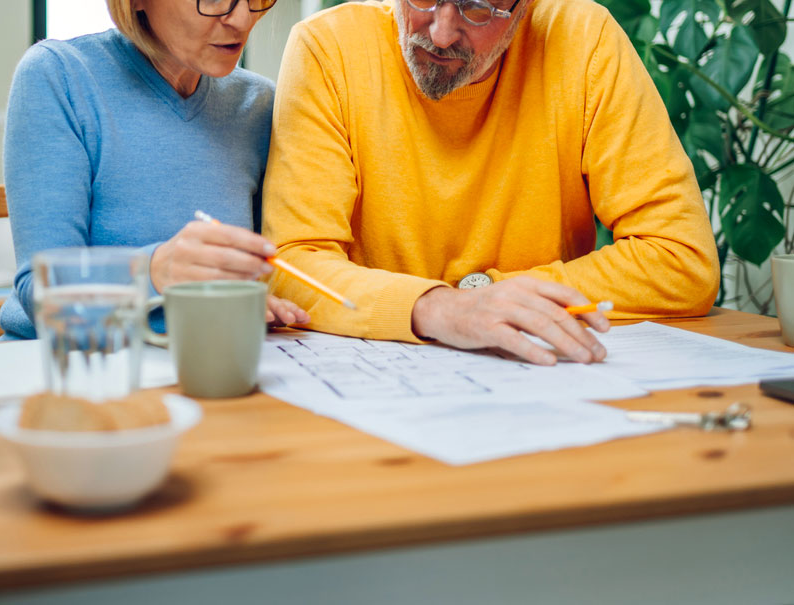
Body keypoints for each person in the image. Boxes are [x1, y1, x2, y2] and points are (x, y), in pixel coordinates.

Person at [262, 0, 720, 365]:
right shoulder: (328, 48)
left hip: (539, 376)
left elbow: (681, 260)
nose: (440, 32)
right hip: (370, 375)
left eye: (477, 7)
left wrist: (486, 297)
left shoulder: (584, 40)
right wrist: (439, 309)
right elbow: (293, 266)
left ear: (526, 6)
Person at [0, 0, 308, 339]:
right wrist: (156, 272)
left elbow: (264, 270)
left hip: (204, 357)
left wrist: (260, 298)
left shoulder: (260, 104)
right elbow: (42, 293)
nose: (243, 19)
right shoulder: (58, 76)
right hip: (70, 364)